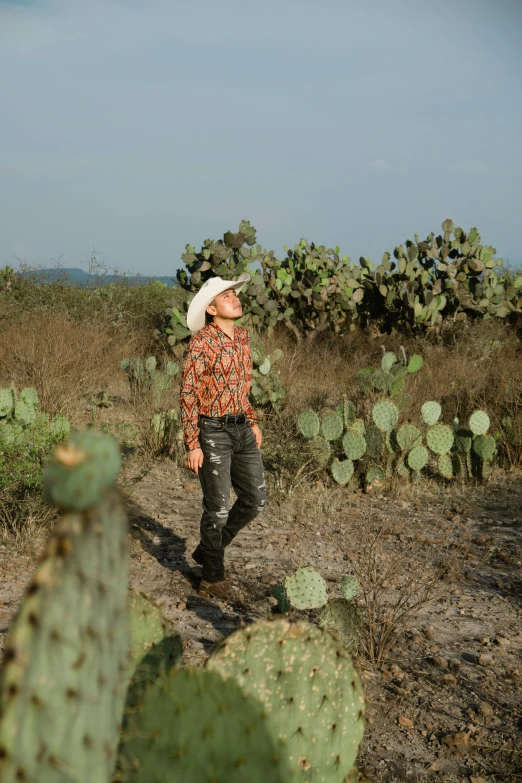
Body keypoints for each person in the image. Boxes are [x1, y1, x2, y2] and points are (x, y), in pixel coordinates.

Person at [180, 273, 267, 600]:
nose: (235, 298)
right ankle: (211, 578)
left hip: (242, 428)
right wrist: (192, 443)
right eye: (227, 296)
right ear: (212, 309)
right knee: (216, 507)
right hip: (212, 431)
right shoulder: (201, 341)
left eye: (234, 294)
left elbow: (243, 386)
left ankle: (207, 550)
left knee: (255, 499)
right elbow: (188, 393)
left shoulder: (243, 337)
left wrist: (253, 420)